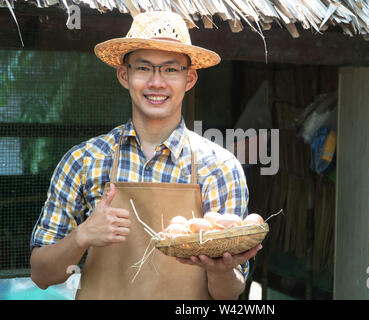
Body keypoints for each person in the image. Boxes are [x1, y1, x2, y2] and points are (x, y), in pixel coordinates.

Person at [29, 11, 262, 300]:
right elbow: (40, 275)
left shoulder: (219, 167)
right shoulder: (83, 161)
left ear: (189, 79)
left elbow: (228, 295)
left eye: (170, 69)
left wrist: (220, 269)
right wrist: (83, 236)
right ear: (124, 75)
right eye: (144, 68)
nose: (156, 82)